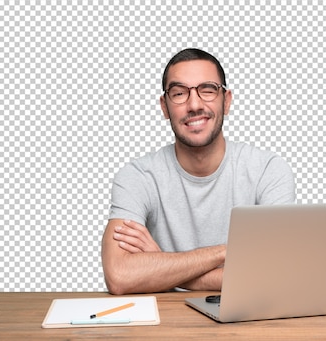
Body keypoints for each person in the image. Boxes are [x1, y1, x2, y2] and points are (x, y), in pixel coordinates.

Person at [101, 48, 296, 295]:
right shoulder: (137, 177)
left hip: (247, 322)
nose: (194, 105)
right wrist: (226, 252)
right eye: (180, 93)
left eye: (208, 90)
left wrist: (164, 265)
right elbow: (119, 276)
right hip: (164, 326)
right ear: (164, 107)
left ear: (226, 101)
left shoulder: (268, 170)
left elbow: (281, 273)